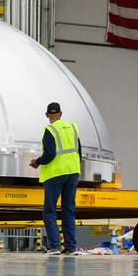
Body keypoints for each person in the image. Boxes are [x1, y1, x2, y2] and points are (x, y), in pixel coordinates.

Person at [28, 101, 83, 255]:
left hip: (55, 175)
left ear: (47, 115)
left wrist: (37, 162)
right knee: (68, 210)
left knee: (50, 211)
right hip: (73, 173)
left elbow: (50, 155)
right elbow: (79, 151)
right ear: (61, 114)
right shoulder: (73, 128)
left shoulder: (49, 130)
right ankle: (71, 247)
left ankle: (55, 246)